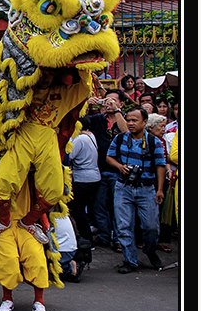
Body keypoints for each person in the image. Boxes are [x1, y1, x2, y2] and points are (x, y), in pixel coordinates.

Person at [0, 68, 92, 245]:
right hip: (22, 136)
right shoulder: (22, 91)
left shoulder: (64, 93)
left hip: (48, 138)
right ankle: (3, 221)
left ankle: (29, 222)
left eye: (49, 75)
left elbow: (85, 89)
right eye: (43, 75)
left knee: (55, 190)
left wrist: (85, 68)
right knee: (3, 183)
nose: (46, 79)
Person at [105, 108, 167, 273]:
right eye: (128, 120)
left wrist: (160, 189)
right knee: (123, 226)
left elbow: (160, 166)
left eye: (135, 120)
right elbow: (109, 157)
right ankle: (130, 260)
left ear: (144, 123)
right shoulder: (119, 139)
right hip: (123, 187)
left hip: (146, 189)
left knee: (151, 227)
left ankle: (150, 250)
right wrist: (119, 166)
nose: (130, 124)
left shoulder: (155, 142)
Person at [89, 89, 128, 250]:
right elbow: (79, 123)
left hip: (119, 170)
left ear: (121, 103)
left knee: (118, 207)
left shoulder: (127, 119)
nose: (109, 103)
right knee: (100, 206)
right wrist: (87, 105)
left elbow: (126, 133)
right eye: (107, 100)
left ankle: (119, 239)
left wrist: (117, 111)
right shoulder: (98, 119)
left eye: (113, 100)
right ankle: (104, 236)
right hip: (99, 168)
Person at [68, 115, 100, 244]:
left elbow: (69, 155)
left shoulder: (80, 139)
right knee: (84, 208)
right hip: (94, 176)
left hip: (83, 178)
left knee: (78, 210)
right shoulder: (91, 135)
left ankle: (86, 238)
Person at [145, 113, 174, 253]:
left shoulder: (162, 140)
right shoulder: (147, 140)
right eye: (160, 126)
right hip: (151, 179)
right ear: (151, 127)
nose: (164, 129)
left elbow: (165, 159)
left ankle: (159, 240)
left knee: (161, 211)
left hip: (162, 179)